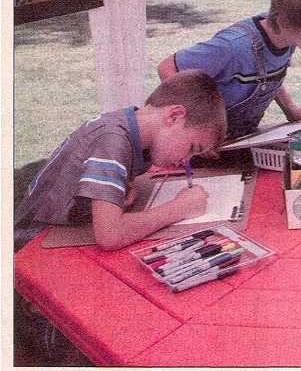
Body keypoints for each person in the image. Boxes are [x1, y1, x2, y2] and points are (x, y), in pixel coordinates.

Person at [14, 70, 227, 252]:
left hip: (67, 229)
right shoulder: (112, 141)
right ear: (174, 116)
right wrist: (180, 208)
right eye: (191, 148)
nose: (186, 160)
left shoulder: (130, 127)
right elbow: (110, 236)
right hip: (32, 243)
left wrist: (124, 183)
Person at [158, 0, 301, 139]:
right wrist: (195, 126)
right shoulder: (233, 46)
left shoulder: (287, 36)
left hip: (234, 141)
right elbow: (167, 67)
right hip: (195, 145)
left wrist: (290, 109)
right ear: (285, 22)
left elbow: (266, 73)